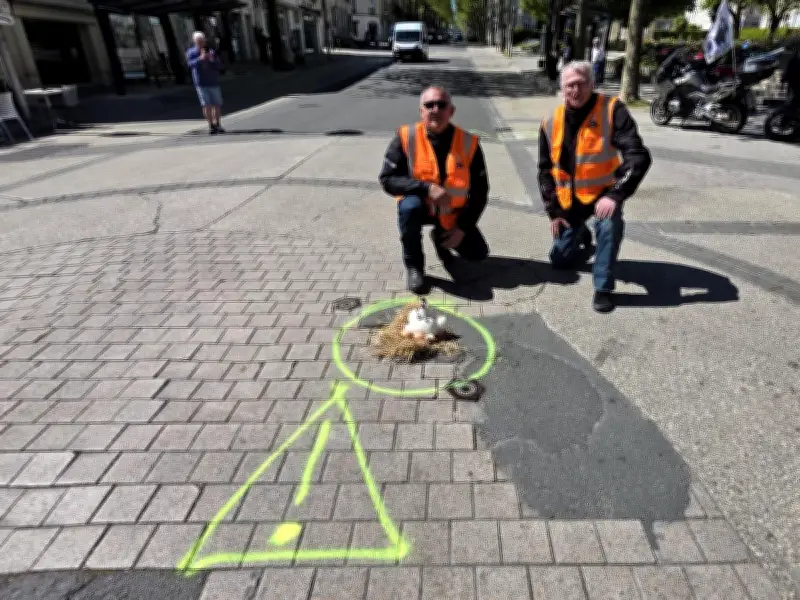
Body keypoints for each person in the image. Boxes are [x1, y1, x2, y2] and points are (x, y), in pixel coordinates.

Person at [538, 61, 652, 313]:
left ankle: (603, 287)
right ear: (561, 88)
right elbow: (545, 171)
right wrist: (553, 211)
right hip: (570, 202)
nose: (575, 90)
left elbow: (638, 156)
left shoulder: (612, 110)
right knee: (559, 260)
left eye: (580, 84)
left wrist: (616, 195)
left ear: (592, 84)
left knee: (609, 225)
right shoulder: (549, 121)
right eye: (569, 85)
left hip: (603, 195)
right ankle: (578, 233)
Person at [379, 86, 490, 294]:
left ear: (451, 111)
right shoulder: (406, 137)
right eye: (429, 105)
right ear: (421, 111)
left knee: (478, 254)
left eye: (441, 105)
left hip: (450, 213)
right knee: (408, 208)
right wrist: (426, 188)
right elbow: (387, 179)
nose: (435, 109)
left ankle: (442, 238)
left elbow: (480, 192)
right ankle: (414, 266)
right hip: (419, 209)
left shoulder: (469, 142)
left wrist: (462, 229)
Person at [186, 31, 226, 134]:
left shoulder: (211, 52)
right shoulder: (191, 52)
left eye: (202, 41)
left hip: (213, 82)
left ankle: (218, 124)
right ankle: (211, 125)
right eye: (198, 41)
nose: (201, 43)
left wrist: (212, 60)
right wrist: (200, 59)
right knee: (206, 105)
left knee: (216, 105)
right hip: (201, 83)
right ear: (194, 41)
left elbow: (219, 66)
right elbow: (190, 65)